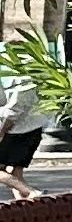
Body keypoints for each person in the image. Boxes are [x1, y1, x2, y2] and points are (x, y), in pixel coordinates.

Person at [0, 72, 40, 201]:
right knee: (16, 171)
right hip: (32, 128)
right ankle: (25, 204)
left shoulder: (23, 79)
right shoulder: (34, 76)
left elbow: (14, 109)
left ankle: (31, 192)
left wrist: (2, 130)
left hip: (16, 130)